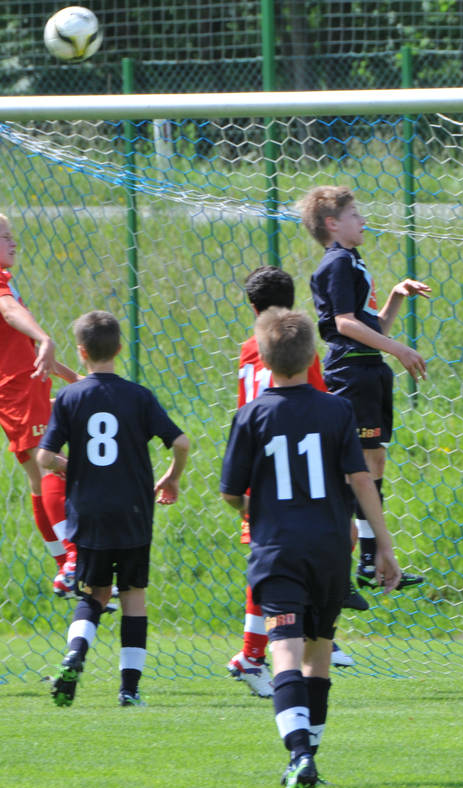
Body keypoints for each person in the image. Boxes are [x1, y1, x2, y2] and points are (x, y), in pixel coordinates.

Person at [220, 307, 402, 788]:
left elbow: (231, 491)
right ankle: (308, 757)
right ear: (312, 357)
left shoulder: (251, 415)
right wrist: (383, 545)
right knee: (318, 651)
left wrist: (251, 508)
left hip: (277, 549)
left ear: (263, 359)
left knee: (284, 648)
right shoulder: (337, 410)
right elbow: (361, 480)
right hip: (329, 550)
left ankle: (299, 753)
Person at [39, 311, 189, 707]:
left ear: (81, 352)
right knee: (133, 595)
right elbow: (181, 442)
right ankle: (129, 690)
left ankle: (74, 655)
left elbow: (44, 457)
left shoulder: (70, 397)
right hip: (133, 510)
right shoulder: (139, 396)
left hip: (88, 510)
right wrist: (172, 477)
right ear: (120, 348)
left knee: (93, 593)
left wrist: (71, 466)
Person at [226, 266, 358, 700]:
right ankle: (266, 649)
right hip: (298, 464)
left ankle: (282, 640)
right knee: (295, 553)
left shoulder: (251, 348)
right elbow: (314, 400)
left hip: (259, 462)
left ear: (252, 307)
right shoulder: (297, 352)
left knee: (269, 560)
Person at [297, 186, 429, 591]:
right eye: (355, 214)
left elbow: (372, 328)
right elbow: (344, 324)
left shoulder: (353, 262)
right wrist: (399, 349)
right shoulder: (338, 263)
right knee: (353, 468)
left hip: (368, 370)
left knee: (373, 463)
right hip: (352, 374)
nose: (363, 220)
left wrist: (394, 297)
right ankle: (347, 561)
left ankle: (369, 561)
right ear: (333, 223)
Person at [0, 213, 83, 596]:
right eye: (4, 236)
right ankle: (74, 559)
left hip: (23, 387)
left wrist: (67, 374)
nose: (13, 242)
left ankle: (64, 568)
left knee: (38, 477)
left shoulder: (6, 282)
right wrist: (46, 337)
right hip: (17, 390)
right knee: (51, 466)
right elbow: (10, 312)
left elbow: (25, 346)